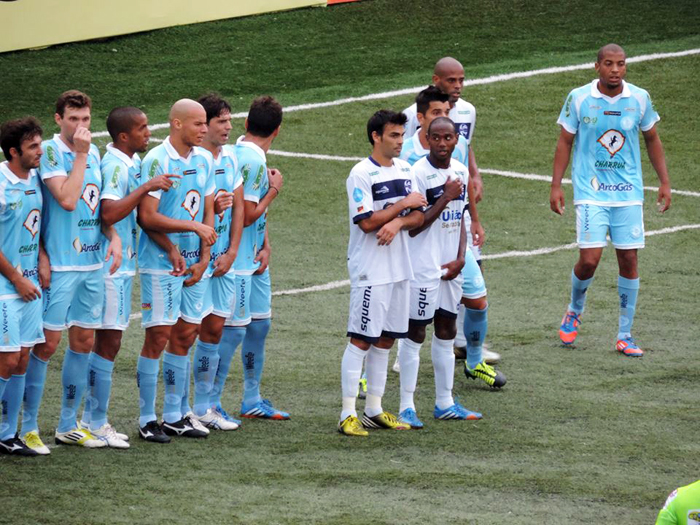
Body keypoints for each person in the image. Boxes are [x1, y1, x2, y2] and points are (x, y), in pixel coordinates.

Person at [550, 43, 672, 357]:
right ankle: (575, 309)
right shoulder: (579, 98)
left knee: (629, 261)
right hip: (590, 192)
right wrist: (556, 186)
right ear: (597, 67)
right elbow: (565, 142)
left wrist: (664, 182)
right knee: (589, 260)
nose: (615, 70)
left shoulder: (640, 98)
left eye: (620, 64)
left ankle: (625, 334)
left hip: (628, 194)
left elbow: (652, 140)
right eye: (608, 63)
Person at [22, 90, 121, 451]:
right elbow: (65, 200)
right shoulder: (51, 152)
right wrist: (79, 154)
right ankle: (28, 426)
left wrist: (113, 237)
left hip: (92, 264)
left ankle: (67, 424)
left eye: (86, 120)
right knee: (47, 344)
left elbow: (93, 205)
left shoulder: (92, 152)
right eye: (73, 119)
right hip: (60, 266)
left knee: (83, 341)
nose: (81, 127)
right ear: (58, 119)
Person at [78, 106, 178, 448]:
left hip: (120, 265)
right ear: (124, 136)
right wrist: (146, 187)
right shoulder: (116, 166)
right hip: (109, 266)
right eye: (142, 128)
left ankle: (94, 419)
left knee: (110, 341)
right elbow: (108, 212)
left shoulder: (129, 162)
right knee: (107, 341)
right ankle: (94, 421)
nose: (148, 132)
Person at [402, 57, 498, 366]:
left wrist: (473, 220)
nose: (444, 118)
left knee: (473, 299)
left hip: (457, 230)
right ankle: (392, 363)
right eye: (437, 115)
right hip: (421, 244)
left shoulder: (465, 119)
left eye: (462, 81)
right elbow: (412, 219)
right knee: (409, 311)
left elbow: (465, 151)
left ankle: (470, 356)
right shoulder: (409, 155)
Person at [338, 109, 427, 437]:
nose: (400, 141)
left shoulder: (406, 169)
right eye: (394, 135)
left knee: (386, 339)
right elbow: (366, 223)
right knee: (362, 339)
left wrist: (399, 220)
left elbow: (419, 215)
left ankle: (373, 409)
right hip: (371, 270)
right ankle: (347, 412)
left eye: (402, 135)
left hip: (400, 268)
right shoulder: (360, 174)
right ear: (376, 136)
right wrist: (401, 205)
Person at [397, 117, 486, 428]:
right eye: (437, 137)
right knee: (416, 332)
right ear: (427, 138)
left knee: (446, 331)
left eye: (449, 137)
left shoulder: (460, 171)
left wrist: (462, 258)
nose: (444, 143)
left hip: (452, 267)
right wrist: (446, 195)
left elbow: (461, 217)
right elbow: (414, 226)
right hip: (423, 268)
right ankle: (406, 406)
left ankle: (444, 402)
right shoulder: (417, 174)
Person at [136, 99, 217, 442]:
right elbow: (147, 217)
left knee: (186, 334)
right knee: (158, 336)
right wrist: (186, 234)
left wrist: (204, 258)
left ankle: (173, 414)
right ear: (177, 124)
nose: (205, 129)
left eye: (205, 123)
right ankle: (145, 418)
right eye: (198, 124)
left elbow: (209, 211)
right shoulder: (157, 159)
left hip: (193, 263)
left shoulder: (204, 160)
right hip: (161, 264)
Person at [218, 96, 288, 421]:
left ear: (246, 125)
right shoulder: (254, 163)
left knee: (260, 325)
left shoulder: (233, 152)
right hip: (240, 260)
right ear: (277, 130)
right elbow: (245, 215)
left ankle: (251, 398)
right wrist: (275, 189)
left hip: (256, 255)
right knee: (233, 331)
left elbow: (256, 214)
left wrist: (267, 243)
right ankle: (211, 401)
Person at [189, 93, 244, 431]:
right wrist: (213, 209)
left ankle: (204, 406)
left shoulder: (231, 158)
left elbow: (239, 206)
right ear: (204, 124)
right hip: (195, 260)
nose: (228, 126)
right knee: (185, 333)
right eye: (221, 121)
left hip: (224, 260)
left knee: (213, 331)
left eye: (228, 120)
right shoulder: (193, 161)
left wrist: (233, 251)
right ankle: (181, 409)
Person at [0, 117, 46, 456]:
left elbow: (34, 228)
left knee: (23, 358)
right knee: (7, 358)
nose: (39, 152)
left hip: (30, 286)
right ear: (14, 151)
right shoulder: (0, 183)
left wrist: (42, 257)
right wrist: (16, 279)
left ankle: (7, 433)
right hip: (6, 286)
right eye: (32, 147)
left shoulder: (37, 180)